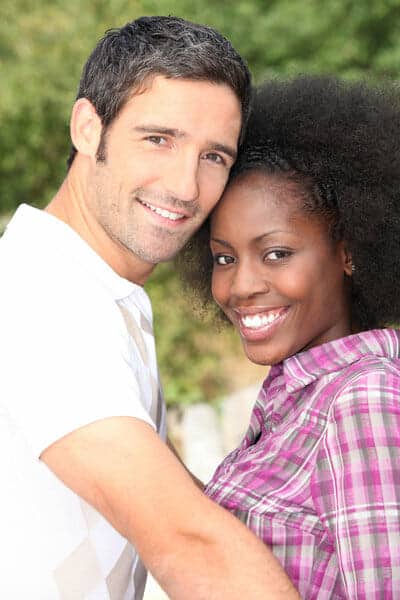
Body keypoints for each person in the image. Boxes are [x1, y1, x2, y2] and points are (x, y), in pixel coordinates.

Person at [0, 16, 298, 600]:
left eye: (214, 156)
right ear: (89, 128)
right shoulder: (40, 296)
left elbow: (175, 500)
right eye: (158, 139)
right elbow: (189, 541)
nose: (186, 186)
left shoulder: (99, 291)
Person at [177, 75, 400, 598]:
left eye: (276, 253)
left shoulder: (361, 401)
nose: (241, 286)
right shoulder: (298, 397)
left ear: (350, 252)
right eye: (224, 258)